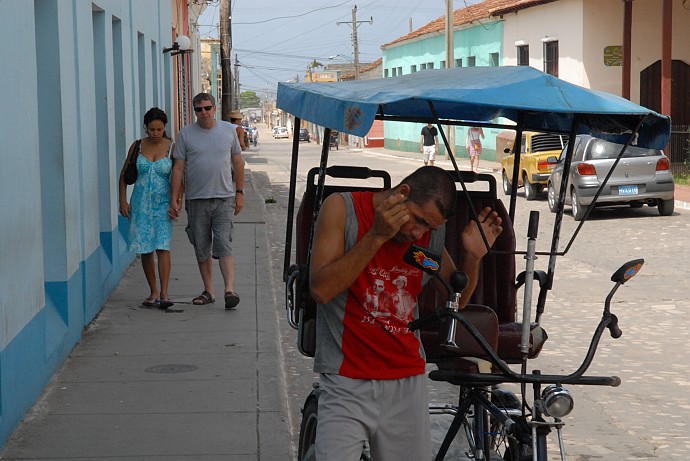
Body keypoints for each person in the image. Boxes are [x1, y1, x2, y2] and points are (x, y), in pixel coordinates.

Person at [309, 165, 503, 461]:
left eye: (429, 229)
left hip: (406, 379)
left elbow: (456, 298)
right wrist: (376, 236)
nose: (418, 233)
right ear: (402, 193)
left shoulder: (424, 242)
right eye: (418, 220)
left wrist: (473, 257)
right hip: (347, 379)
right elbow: (321, 289)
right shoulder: (342, 209)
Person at [169, 93, 245, 310]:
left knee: (224, 243)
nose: (203, 113)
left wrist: (240, 192)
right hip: (196, 199)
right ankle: (208, 290)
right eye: (198, 109)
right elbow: (178, 168)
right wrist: (175, 199)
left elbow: (238, 163)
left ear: (215, 108)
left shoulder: (228, 131)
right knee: (201, 246)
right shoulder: (185, 134)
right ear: (194, 111)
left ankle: (229, 289)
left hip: (224, 198)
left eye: (207, 108)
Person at [118, 107, 175, 309]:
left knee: (162, 246)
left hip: (163, 204)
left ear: (164, 128)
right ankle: (153, 291)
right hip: (141, 203)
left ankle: (166, 292)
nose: (155, 133)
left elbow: (178, 179)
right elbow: (124, 176)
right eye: (152, 129)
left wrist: (176, 201)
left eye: (159, 129)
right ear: (146, 128)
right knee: (145, 248)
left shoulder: (172, 147)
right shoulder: (137, 147)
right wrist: (123, 201)